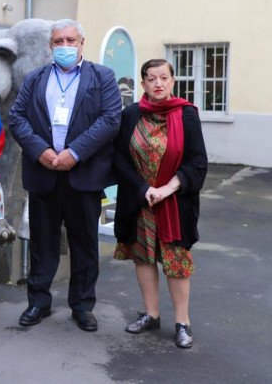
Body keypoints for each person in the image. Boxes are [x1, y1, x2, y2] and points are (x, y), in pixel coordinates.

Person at [9, 18, 121, 331]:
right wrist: (40, 150)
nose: (65, 47)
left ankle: (82, 306)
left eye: (71, 40)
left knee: (84, 244)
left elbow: (110, 120)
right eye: (59, 42)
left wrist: (74, 152)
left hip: (83, 175)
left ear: (82, 43)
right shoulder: (35, 78)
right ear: (51, 46)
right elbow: (17, 119)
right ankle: (38, 303)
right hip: (44, 174)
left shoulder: (103, 77)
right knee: (42, 243)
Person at [113, 58, 207, 349]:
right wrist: (144, 189)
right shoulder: (130, 115)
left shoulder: (187, 114)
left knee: (176, 262)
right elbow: (120, 159)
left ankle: (182, 322)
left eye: (163, 77)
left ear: (173, 81)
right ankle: (152, 314)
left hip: (174, 203)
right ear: (143, 84)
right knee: (143, 256)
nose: (158, 83)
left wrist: (166, 189)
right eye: (151, 78)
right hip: (140, 202)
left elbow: (197, 162)